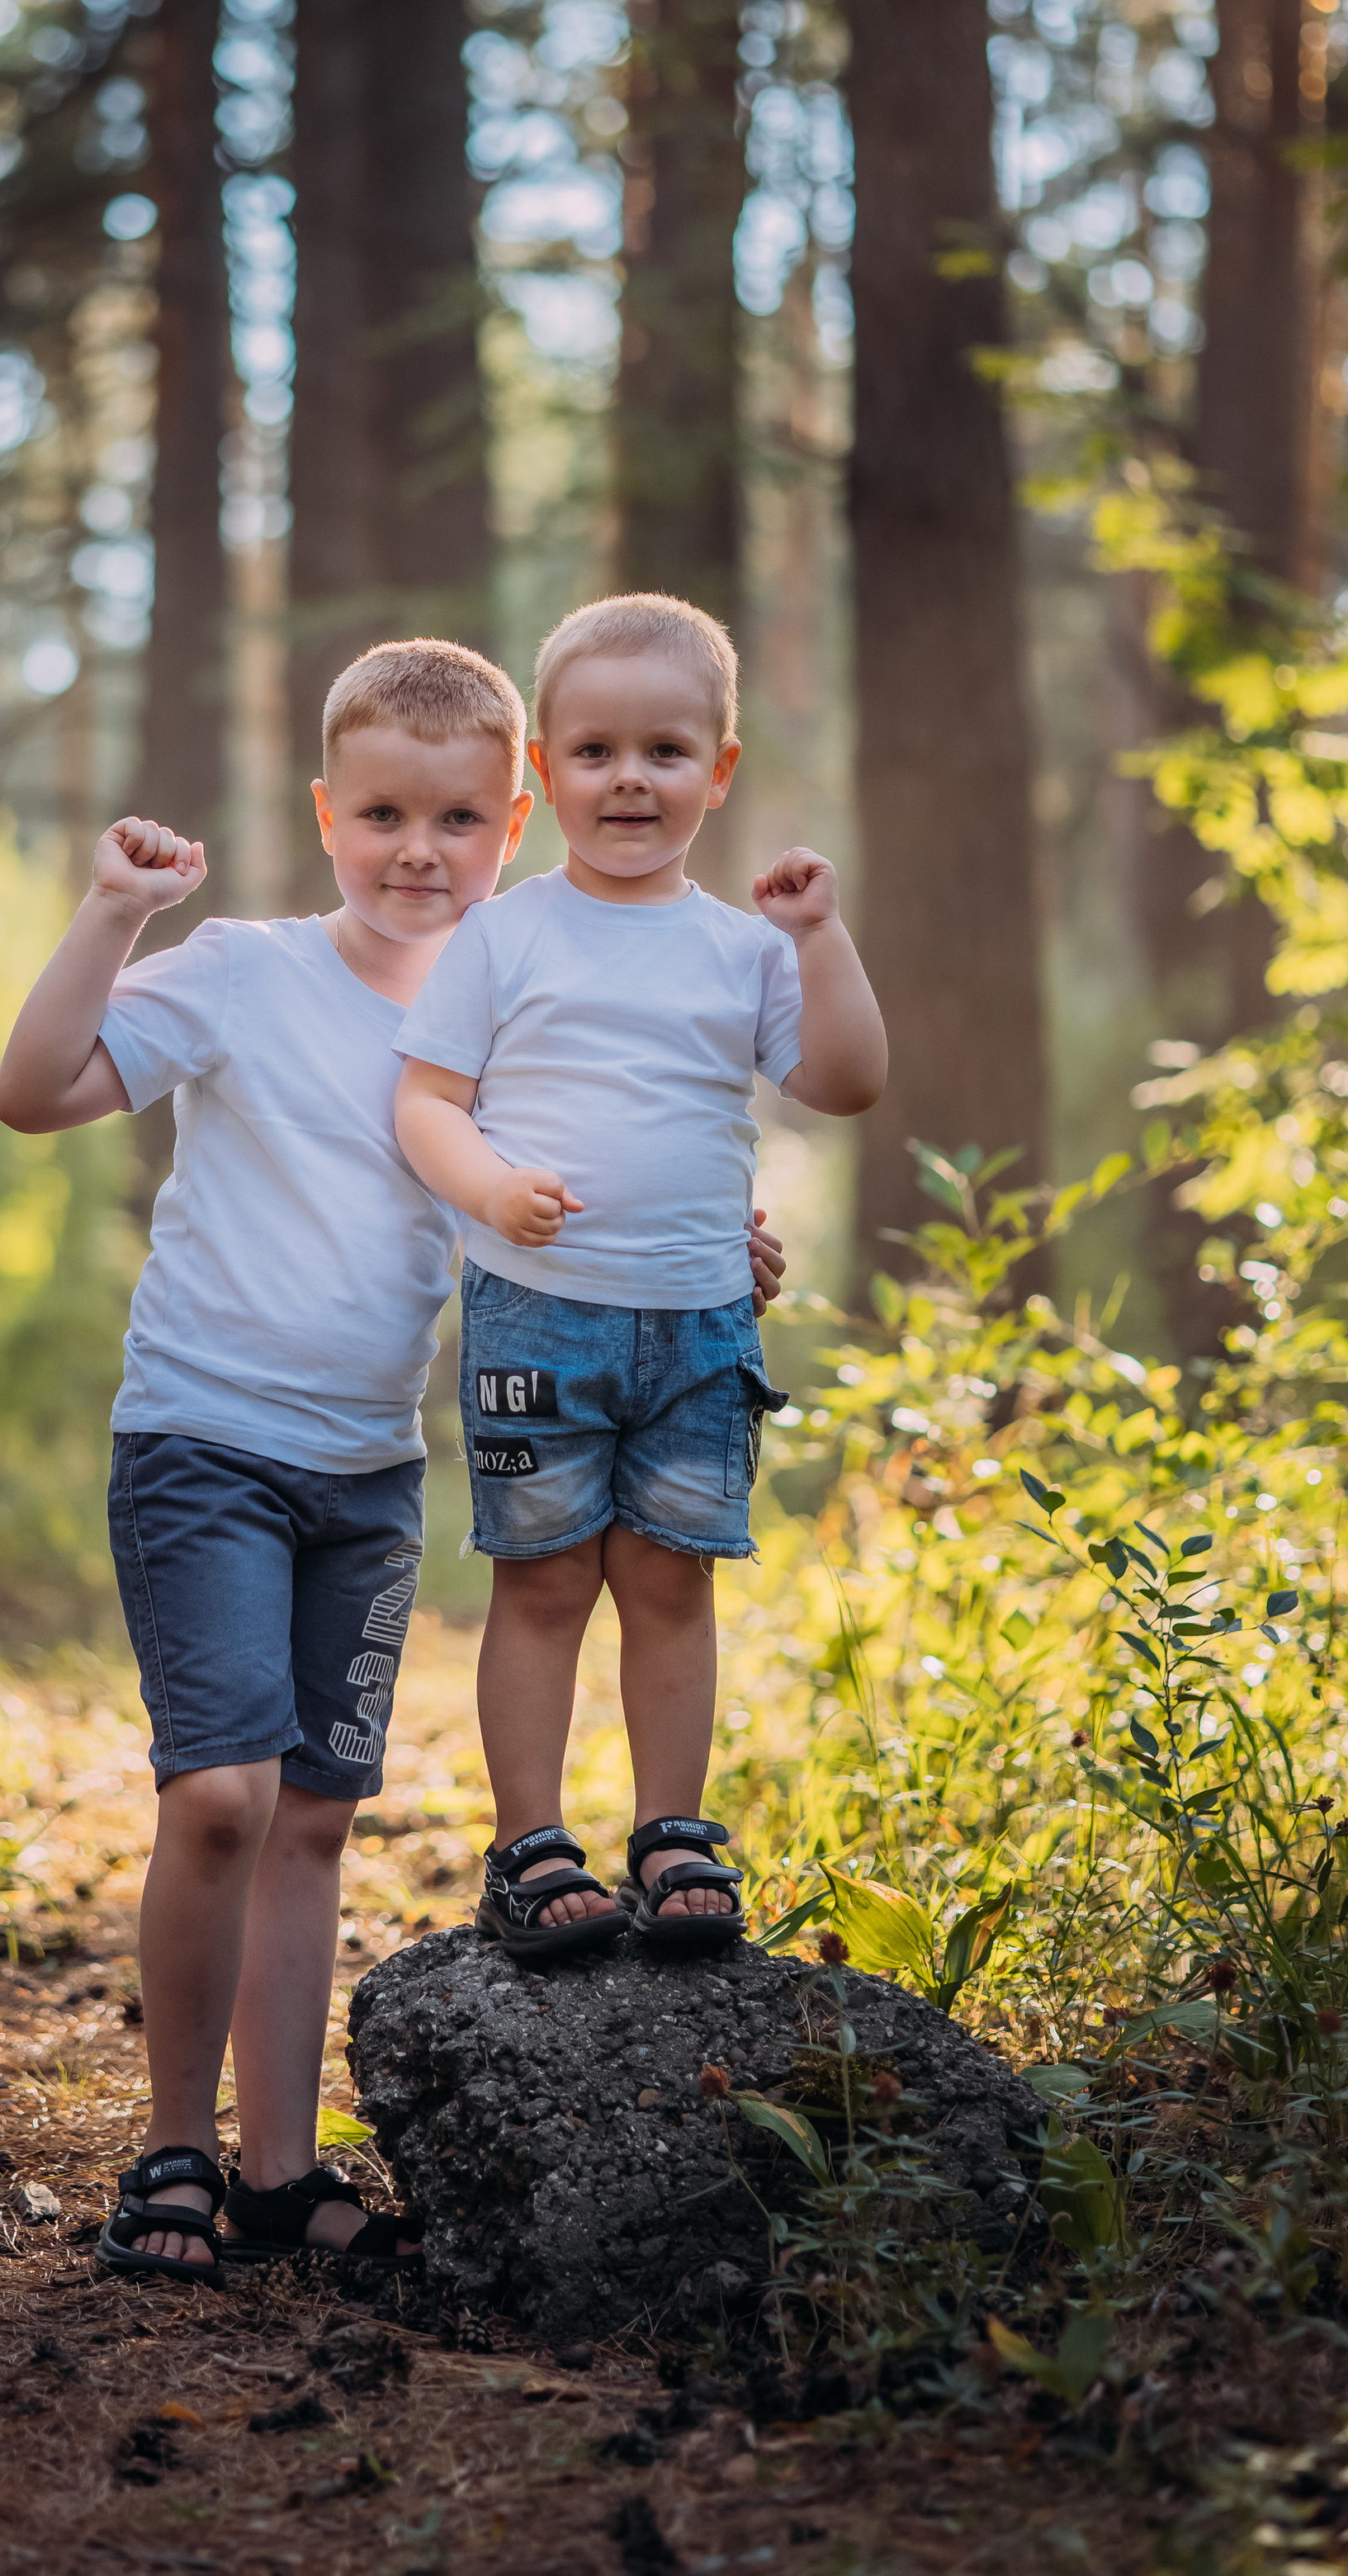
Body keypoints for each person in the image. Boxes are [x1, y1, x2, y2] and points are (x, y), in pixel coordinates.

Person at [0, 636, 788, 2283]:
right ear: (325, 813)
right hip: (203, 1436)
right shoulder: (243, 969)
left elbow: (604, 1188)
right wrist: (110, 911)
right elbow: (33, 1089)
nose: (414, 851)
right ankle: (170, 2150)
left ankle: (277, 2174)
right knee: (216, 1794)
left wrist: (722, 1244)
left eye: (450, 820)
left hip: (366, 1471)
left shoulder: (520, 1005)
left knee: (310, 1823)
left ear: (511, 820)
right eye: (377, 815)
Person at [393, 593, 886, 1965]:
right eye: (595, 751)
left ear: (716, 772)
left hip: (699, 1325)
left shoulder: (741, 946)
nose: (628, 778)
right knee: (542, 1582)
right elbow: (426, 1101)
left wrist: (821, 937)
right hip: (536, 1317)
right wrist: (489, 1185)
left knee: (672, 1580)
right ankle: (531, 1843)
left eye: (664, 750)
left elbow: (846, 1082)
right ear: (543, 773)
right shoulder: (506, 932)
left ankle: (674, 1832)